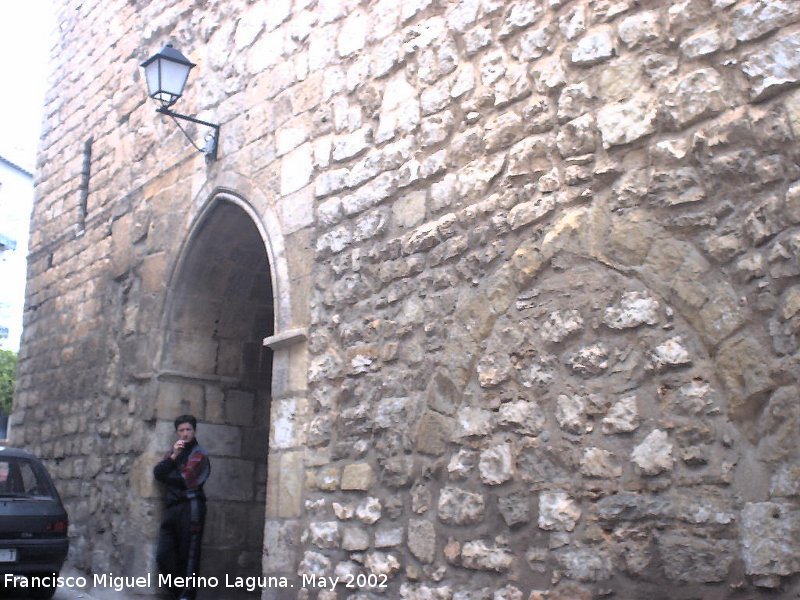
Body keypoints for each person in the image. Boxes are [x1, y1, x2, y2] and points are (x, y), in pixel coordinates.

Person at [153, 415, 211, 600]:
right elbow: (158, 472)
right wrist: (173, 458)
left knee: (189, 555)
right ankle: (175, 593)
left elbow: (184, 479)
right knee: (165, 554)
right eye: (182, 430)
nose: (185, 434)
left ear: (194, 431)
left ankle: (186, 596)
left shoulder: (199, 454)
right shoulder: (175, 452)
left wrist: (168, 473)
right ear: (177, 432)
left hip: (190, 508)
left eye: (189, 430)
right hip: (172, 508)